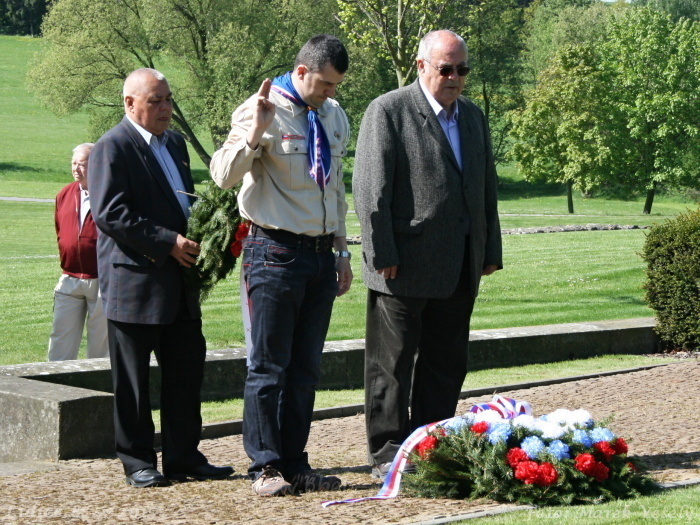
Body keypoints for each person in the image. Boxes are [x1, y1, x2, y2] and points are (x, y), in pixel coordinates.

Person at [353, 30, 503, 480]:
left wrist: (489, 249)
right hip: (401, 265)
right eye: (446, 69)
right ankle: (388, 454)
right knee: (391, 367)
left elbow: (485, 188)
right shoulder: (388, 110)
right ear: (421, 66)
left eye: (462, 69)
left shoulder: (473, 116)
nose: (455, 77)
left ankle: (431, 447)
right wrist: (381, 251)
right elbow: (370, 189)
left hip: (459, 264)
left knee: (446, 364)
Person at [210, 34, 353, 496]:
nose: (330, 92)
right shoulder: (261, 109)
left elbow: (334, 189)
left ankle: (295, 462)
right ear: (302, 71)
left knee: (306, 369)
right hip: (273, 252)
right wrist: (255, 132)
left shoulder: (332, 115)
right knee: (268, 366)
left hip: (320, 256)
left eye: (336, 85)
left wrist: (342, 252)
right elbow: (222, 175)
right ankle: (265, 466)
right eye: (325, 84)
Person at [88, 68, 233, 488]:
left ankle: (184, 457)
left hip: (181, 284)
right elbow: (111, 214)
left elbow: (182, 203)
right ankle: (137, 461)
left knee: (186, 375)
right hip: (134, 284)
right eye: (156, 101)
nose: (166, 108)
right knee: (133, 383)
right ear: (130, 103)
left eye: (168, 99)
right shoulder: (112, 146)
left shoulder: (176, 144)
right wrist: (168, 241)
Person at [48, 143, 108, 361]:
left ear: (96, 164)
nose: (76, 169)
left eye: (81, 164)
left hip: (101, 279)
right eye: (73, 163)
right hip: (70, 278)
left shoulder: (109, 193)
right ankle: (57, 379)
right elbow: (60, 230)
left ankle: (99, 381)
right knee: (60, 337)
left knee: (100, 342)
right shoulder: (64, 194)